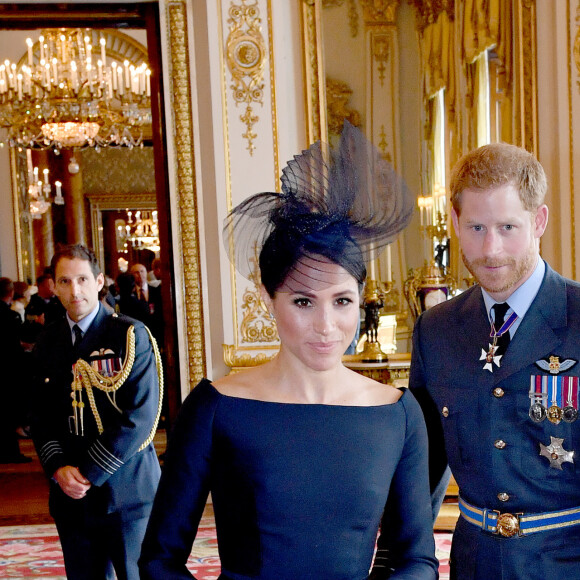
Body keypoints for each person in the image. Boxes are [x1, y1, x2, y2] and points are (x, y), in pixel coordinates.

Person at [139, 122, 437, 579]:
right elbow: (160, 559)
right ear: (267, 297)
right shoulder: (216, 408)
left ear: (360, 297)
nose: (326, 326)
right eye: (302, 301)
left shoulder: (397, 412)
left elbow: (415, 560)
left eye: (342, 301)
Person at [407, 142, 580, 579]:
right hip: (473, 564)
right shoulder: (436, 329)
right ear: (454, 223)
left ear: (538, 220)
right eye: (476, 227)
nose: (490, 250)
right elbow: (423, 466)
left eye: (507, 227)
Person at [30, 244, 164, 580]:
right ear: (54, 285)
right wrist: (58, 467)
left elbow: (140, 417)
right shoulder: (47, 341)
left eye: (82, 279)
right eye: (64, 281)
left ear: (99, 281)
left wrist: (88, 473)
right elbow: (40, 415)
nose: (75, 290)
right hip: (70, 496)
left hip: (126, 491)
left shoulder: (130, 336)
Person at [0, 277, 31, 463]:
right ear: (11, 293)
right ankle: (10, 452)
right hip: (8, 371)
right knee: (9, 412)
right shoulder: (9, 315)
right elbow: (14, 346)